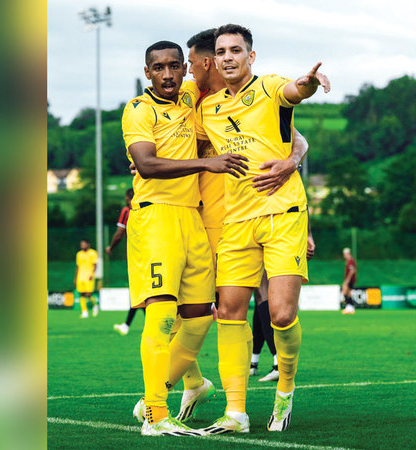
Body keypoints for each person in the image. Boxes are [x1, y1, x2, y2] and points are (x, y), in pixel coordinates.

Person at [195, 24, 330, 434]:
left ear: (250, 56)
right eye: (222, 51)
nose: (228, 57)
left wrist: (308, 84)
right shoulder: (207, 109)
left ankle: (285, 390)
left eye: (236, 50)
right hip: (236, 220)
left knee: (281, 313)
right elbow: (185, 142)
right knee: (229, 312)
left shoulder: (270, 87)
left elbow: (295, 92)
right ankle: (236, 412)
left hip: (283, 212)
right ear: (214, 60)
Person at [121, 40, 249, 436]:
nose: (168, 74)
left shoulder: (190, 98)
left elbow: (217, 79)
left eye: (176, 66)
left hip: (192, 216)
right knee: (161, 316)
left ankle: (193, 385)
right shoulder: (138, 109)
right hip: (156, 216)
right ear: (147, 72)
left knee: (197, 318)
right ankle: (155, 414)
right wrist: (207, 163)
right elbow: (146, 164)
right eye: (159, 67)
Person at [252, 221, 315, 382]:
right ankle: (254, 361)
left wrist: (308, 234)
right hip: (280, 228)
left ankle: (277, 363)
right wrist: (308, 234)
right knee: (260, 297)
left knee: (263, 292)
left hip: (263, 227)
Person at [106, 189, 142, 335]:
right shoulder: (148, 207)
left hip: (137, 256)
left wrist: (111, 247)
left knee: (139, 293)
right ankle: (127, 325)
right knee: (144, 293)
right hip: (154, 252)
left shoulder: (127, 210)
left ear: (128, 198)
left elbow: (120, 233)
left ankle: (127, 326)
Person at [74, 239, 99, 318]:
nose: (82, 246)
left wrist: (92, 274)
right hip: (80, 276)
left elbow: (95, 265)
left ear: (88, 244)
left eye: (84, 244)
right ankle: (84, 311)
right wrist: (75, 278)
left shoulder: (93, 253)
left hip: (89, 276)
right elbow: (77, 267)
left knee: (88, 294)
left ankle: (95, 305)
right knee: (81, 294)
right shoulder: (79, 254)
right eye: (81, 244)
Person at [342, 247, 357, 314]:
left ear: (348, 253)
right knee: (348, 293)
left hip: (350, 280)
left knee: (344, 292)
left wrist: (347, 280)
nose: (344, 255)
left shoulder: (350, 261)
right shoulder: (349, 261)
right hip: (350, 279)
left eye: (344, 254)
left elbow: (352, 271)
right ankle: (350, 308)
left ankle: (349, 307)